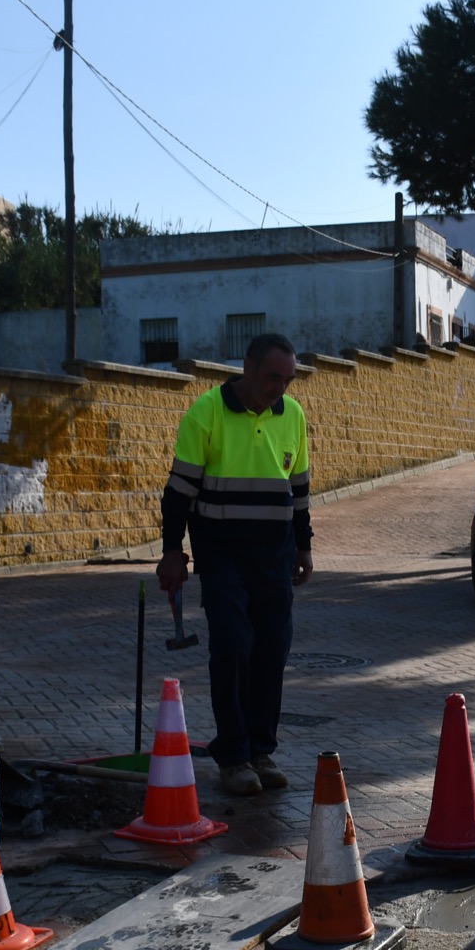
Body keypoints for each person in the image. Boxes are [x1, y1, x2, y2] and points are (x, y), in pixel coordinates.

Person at [155, 333, 314, 797]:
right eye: (272, 378)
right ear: (247, 367)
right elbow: (178, 493)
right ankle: (234, 756)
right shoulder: (206, 413)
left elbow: (299, 492)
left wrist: (303, 547)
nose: (280, 389)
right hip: (222, 556)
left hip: (275, 557)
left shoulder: (293, 416)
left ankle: (261, 751)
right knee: (233, 647)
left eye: (287, 381)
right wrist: (172, 551)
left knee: (272, 651)